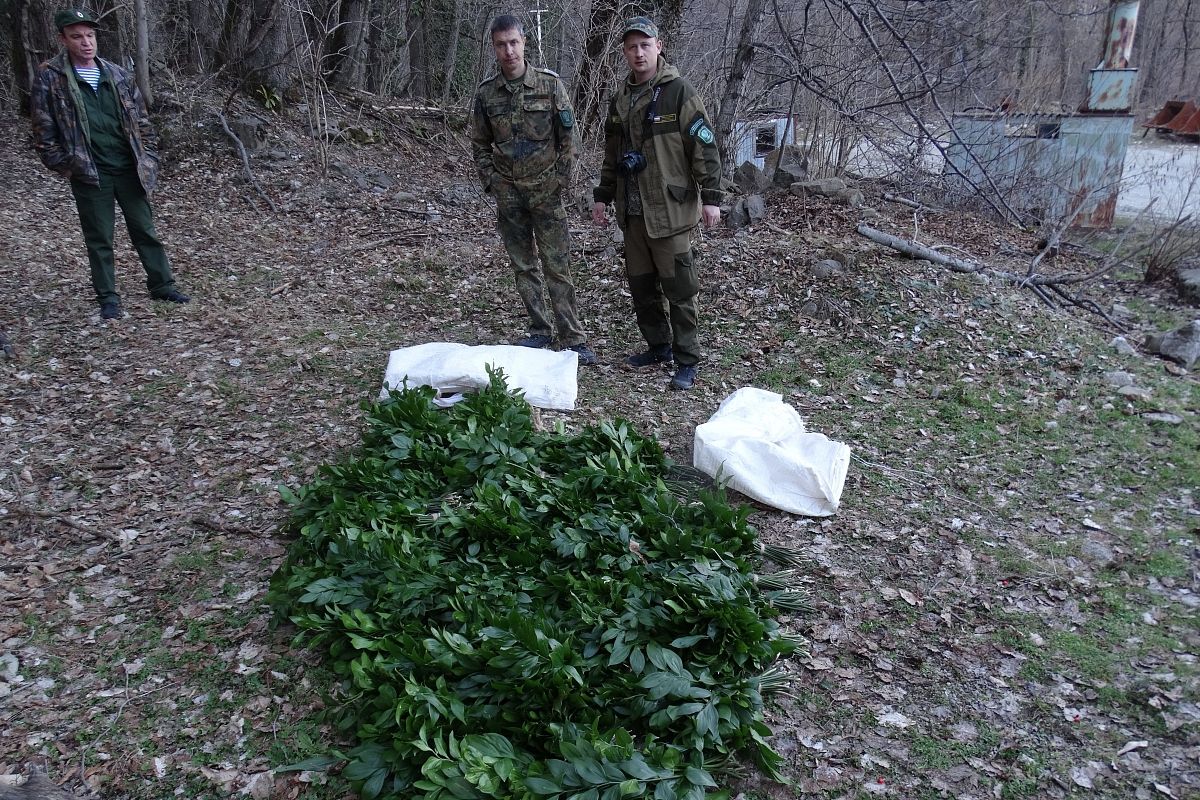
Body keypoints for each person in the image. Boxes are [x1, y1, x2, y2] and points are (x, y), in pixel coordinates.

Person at [31, 7, 189, 321]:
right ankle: (108, 298)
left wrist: (150, 156)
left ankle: (162, 285)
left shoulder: (116, 73)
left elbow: (142, 121)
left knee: (145, 229)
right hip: (90, 172)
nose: (86, 42)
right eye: (77, 36)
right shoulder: (51, 78)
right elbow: (43, 129)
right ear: (63, 39)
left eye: (90, 35)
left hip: (129, 167)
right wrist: (66, 164)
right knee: (100, 238)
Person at [592, 16, 724, 391]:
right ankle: (658, 346)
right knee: (641, 287)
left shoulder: (678, 92)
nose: (638, 52)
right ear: (624, 52)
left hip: (669, 210)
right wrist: (603, 195)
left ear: (658, 46)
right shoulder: (620, 98)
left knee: (680, 289)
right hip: (632, 213)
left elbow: (704, 147)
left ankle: (687, 359)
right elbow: (611, 154)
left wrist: (711, 198)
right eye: (632, 46)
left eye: (645, 45)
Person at [470, 14, 596, 366]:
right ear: (494, 48)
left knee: (558, 265)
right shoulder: (486, 94)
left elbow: (569, 138)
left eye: (514, 42)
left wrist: (561, 179)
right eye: (501, 44)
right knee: (523, 265)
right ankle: (539, 330)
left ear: (525, 43)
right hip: (509, 194)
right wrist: (491, 181)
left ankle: (572, 337)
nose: (508, 51)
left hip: (546, 190)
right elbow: (479, 143)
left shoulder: (550, 86)